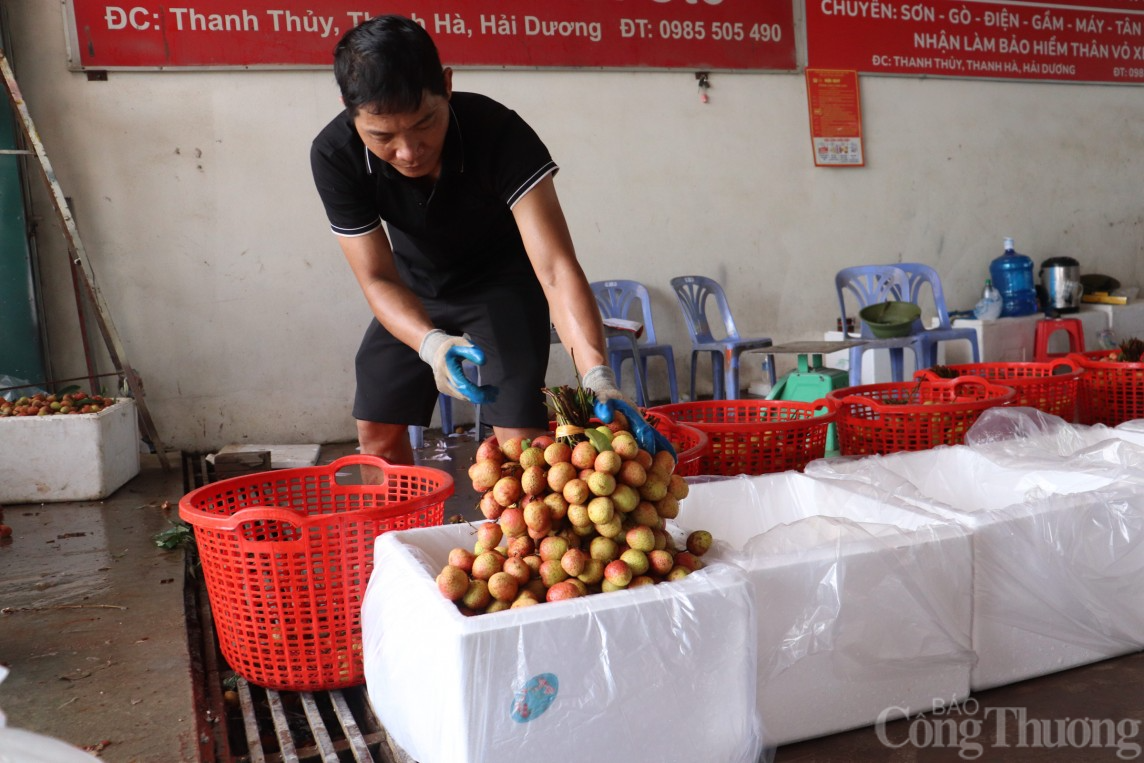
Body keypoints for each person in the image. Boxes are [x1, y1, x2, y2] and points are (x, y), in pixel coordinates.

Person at [310, 15, 669, 466]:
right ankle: (400, 534)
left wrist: (596, 375)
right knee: (376, 429)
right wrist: (430, 344)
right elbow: (377, 277)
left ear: (446, 85)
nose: (407, 151)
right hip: (411, 287)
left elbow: (556, 270)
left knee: (522, 449)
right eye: (382, 136)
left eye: (425, 124)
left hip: (501, 286)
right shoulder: (335, 155)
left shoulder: (499, 133)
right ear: (349, 109)